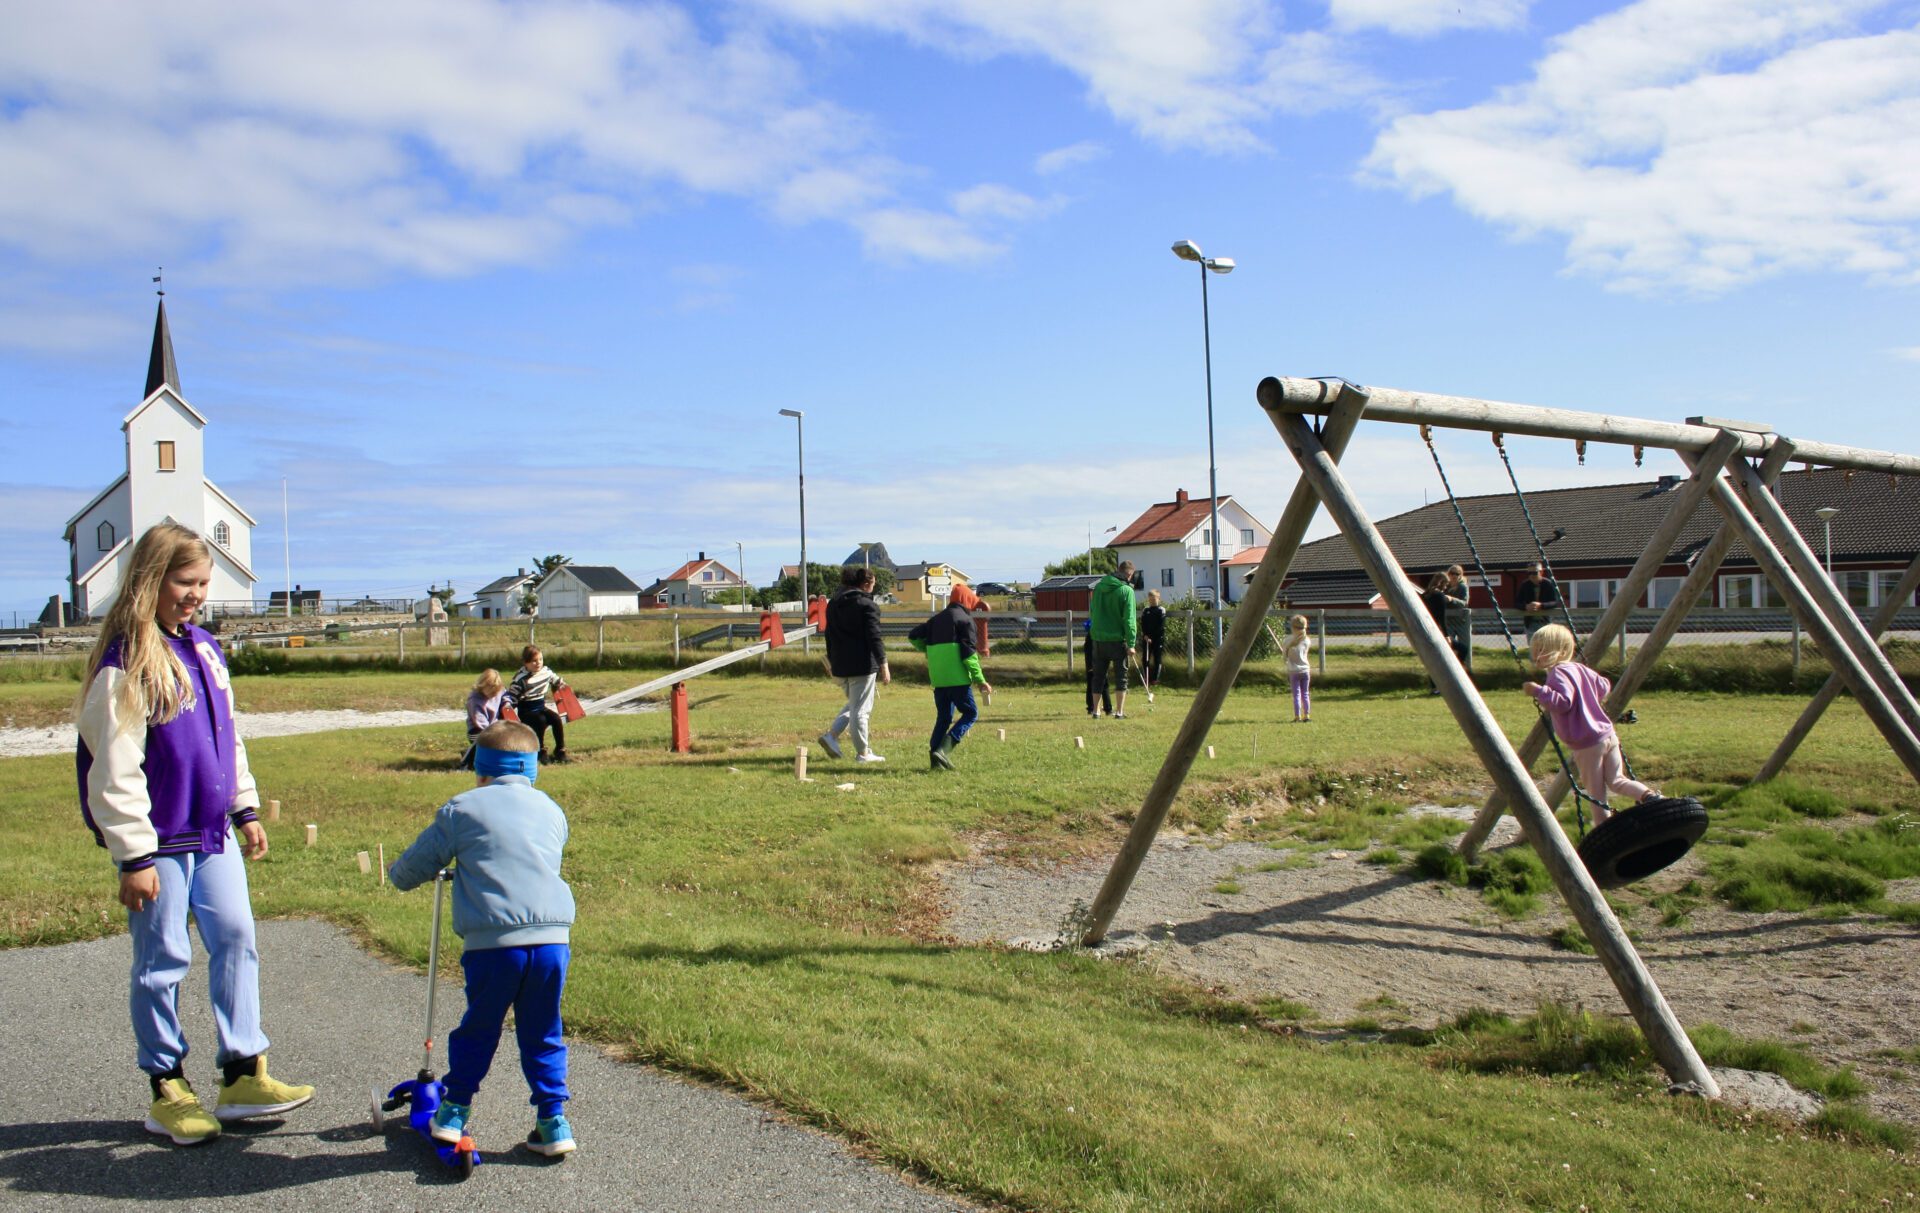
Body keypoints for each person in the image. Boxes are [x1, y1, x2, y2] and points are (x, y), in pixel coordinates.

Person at [74, 522, 314, 1147]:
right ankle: (167, 1089)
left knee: (237, 937)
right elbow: (115, 767)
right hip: (158, 843)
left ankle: (242, 1073)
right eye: (186, 582)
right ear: (151, 581)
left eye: (204, 583)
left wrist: (246, 809)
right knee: (163, 961)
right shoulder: (124, 661)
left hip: (212, 835)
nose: (197, 594)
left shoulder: (204, 648)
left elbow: (226, 737)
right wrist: (133, 855)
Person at [388, 719, 578, 1157]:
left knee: (480, 1026)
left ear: (481, 769)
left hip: (494, 944)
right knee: (544, 1030)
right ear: (532, 770)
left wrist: (399, 875)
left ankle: (454, 1110)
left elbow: (415, 866)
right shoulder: (551, 809)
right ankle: (553, 1121)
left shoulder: (462, 809)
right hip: (552, 941)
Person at [1523, 623, 1659, 825]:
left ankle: (1604, 831)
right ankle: (1653, 798)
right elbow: (1604, 686)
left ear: (1558, 651)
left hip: (1587, 743)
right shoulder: (1579, 668)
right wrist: (1587, 697)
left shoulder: (1557, 673)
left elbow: (1563, 703)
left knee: (1596, 793)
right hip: (1607, 735)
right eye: (1535, 651)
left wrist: (1538, 691)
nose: (1536, 656)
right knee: (1617, 780)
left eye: (1541, 651)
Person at [908, 583, 992, 770]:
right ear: (967, 600)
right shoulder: (965, 621)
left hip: (939, 679)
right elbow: (969, 656)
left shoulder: (935, 620)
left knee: (944, 717)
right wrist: (980, 680)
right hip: (958, 680)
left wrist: (929, 650)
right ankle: (944, 750)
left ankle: (934, 759)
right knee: (970, 713)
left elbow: (913, 636)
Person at [820, 565, 890, 763]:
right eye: (873, 584)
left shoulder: (833, 604)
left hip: (840, 665)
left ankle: (832, 736)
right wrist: (883, 663)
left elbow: (829, 635)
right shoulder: (867, 606)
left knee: (855, 704)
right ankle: (863, 753)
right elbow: (874, 637)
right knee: (861, 711)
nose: (874, 589)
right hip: (862, 665)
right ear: (866, 584)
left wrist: (832, 661)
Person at [1087, 560, 1138, 719]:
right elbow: (1129, 619)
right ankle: (1119, 712)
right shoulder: (1126, 591)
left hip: (1098, 638)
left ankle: (1096, 711)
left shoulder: (1099, 588)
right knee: (1121, 676)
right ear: (1129, 574)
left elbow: (1093, 611)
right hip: (1117, 640)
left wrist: (1095, 633)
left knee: (1098, 676)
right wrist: (1131, 643)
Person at [505, 645, 570, 762]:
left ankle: (560, 750)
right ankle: (540, 750)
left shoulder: (545, 672)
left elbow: (555, 679)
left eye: (540, 659)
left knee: (555, 718)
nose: (538, 663)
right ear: (526, 663)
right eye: (534, 661)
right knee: (541, 721)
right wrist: (507, 706)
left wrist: (560, 683)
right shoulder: (521, 679)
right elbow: (512, 697)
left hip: (540, 706)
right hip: (526, 710)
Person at [459, 668, 506, 771]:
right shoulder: (474, 699)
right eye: (491, 692)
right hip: (477, 729)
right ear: (483, 685)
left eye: (496, 692)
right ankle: (466, 761)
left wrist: (507, 703)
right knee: (482, 739)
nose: (494, 695)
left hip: (494, 727)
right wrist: (493, 732)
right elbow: (479, 720)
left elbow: (505, 697)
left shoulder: (499, 691)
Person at [1515, 562, 1561, 637]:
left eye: (1534, 572)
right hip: (1530, 623)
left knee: (1546, 647)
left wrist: (1541, 605)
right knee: (1533, 647)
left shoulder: (1549, 584)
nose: (1532, 575)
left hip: (1546, 622)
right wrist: (1526, 607)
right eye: (1529, 573)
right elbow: (1517, 603)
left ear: (1541, 572)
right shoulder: (1524, 585)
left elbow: (1556, 602)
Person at [1444, 564, 1474, 674]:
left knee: (1465, 646)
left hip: (1462, 621)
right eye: (1451, 573)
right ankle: (1450, 670)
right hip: (1448, 621)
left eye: (1456, 574)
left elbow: (1464, 603)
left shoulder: (1463, 587)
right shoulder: (1445, 586)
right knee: (1449, 645)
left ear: (1460, 575)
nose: (1453, 576)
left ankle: (1467, 671)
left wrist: (1452, 599)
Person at [1284, 614, 1313, 722]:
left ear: (1293, 627)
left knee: (1296, 694)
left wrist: (1286, 656)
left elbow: (1285, 656)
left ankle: (1297, 716)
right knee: (1305, 693)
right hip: (1305, 670)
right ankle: (1307, 716)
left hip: (1293, 671)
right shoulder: (1307, 640)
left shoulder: (1288, 640)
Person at [1080, 619, 1111, 718]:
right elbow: (1088, 654)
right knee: (1092, 685)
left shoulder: (1098, 636)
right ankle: (1091, 707)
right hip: (1093, 665)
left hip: (1101, 663)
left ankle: (1107, 708)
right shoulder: (1090, 638)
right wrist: (1090, 666)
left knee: (1104, 685)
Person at [1139, 589, 1166, 687]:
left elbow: (1160, 626)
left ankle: (1155, 679)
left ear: (1158, 598)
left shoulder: (1161, 610)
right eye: (1150, 599)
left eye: (1154, 599)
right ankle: (1146, 678)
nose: (1152, 601)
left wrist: (1153, 637)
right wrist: (1146, 635)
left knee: (1157, 659)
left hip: (1158, 638)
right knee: (1145, 658)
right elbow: (1143, 623)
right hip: (1146, 638)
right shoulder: (1146, 610)